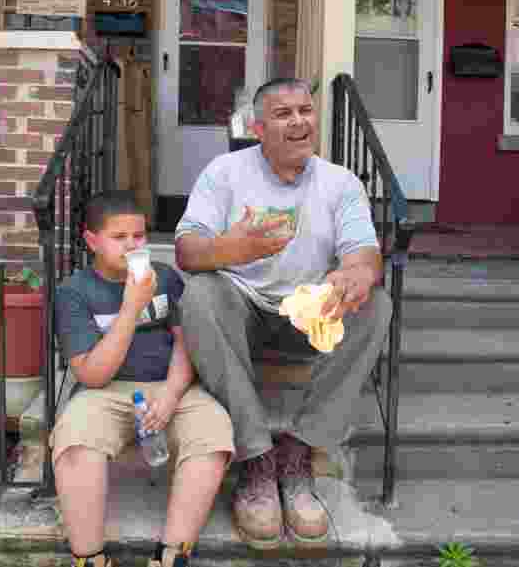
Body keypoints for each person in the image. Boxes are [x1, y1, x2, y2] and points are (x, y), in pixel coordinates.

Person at [174, 77, 391, 549]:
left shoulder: (341, 183)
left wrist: (355, 273)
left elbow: (364, 252)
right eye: (283, 114)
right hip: (242, 309)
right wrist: (230, 247)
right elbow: (187, 252)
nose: (299, 122)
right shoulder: (224, 173)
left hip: (308, 313)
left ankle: (299, 450)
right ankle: (256, 458)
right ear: (257, 128)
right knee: (199, 296)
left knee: (376, 304)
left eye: (305, 111)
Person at [49, 190, 236, 567]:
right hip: (105, 392)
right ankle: (89, 558)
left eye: (139, 237)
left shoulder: (165, 279)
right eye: (119, 238)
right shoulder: (74, 293)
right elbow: (93, 373)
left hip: (172, 385)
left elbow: (187, 344)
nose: (132, 246)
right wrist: (132, 305)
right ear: (91, 241)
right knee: (75, 440)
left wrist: (169, 395)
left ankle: (171, 555)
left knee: (213, 434)